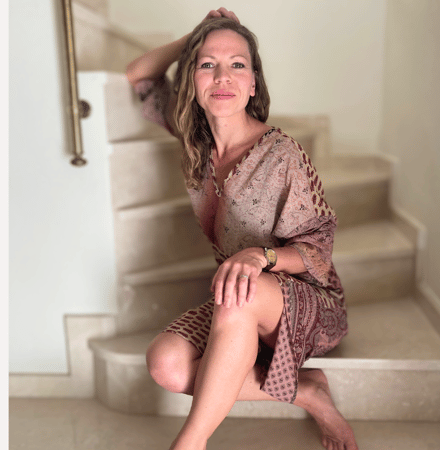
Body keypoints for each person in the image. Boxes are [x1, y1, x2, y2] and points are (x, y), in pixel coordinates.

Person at [126, 8, 358, 450]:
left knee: (242, 292)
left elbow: (318, 252)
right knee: (166, 364)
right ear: (193, 81)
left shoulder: (281, 153)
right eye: (207, 65)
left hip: (307, 304)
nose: (222, 77)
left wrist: (261, 256)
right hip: (237, 296)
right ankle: (308, 391)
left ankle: (189, 444)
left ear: (253, 84)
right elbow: (139, 75)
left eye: (237, 65)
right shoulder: (195, 140)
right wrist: (195, 36)